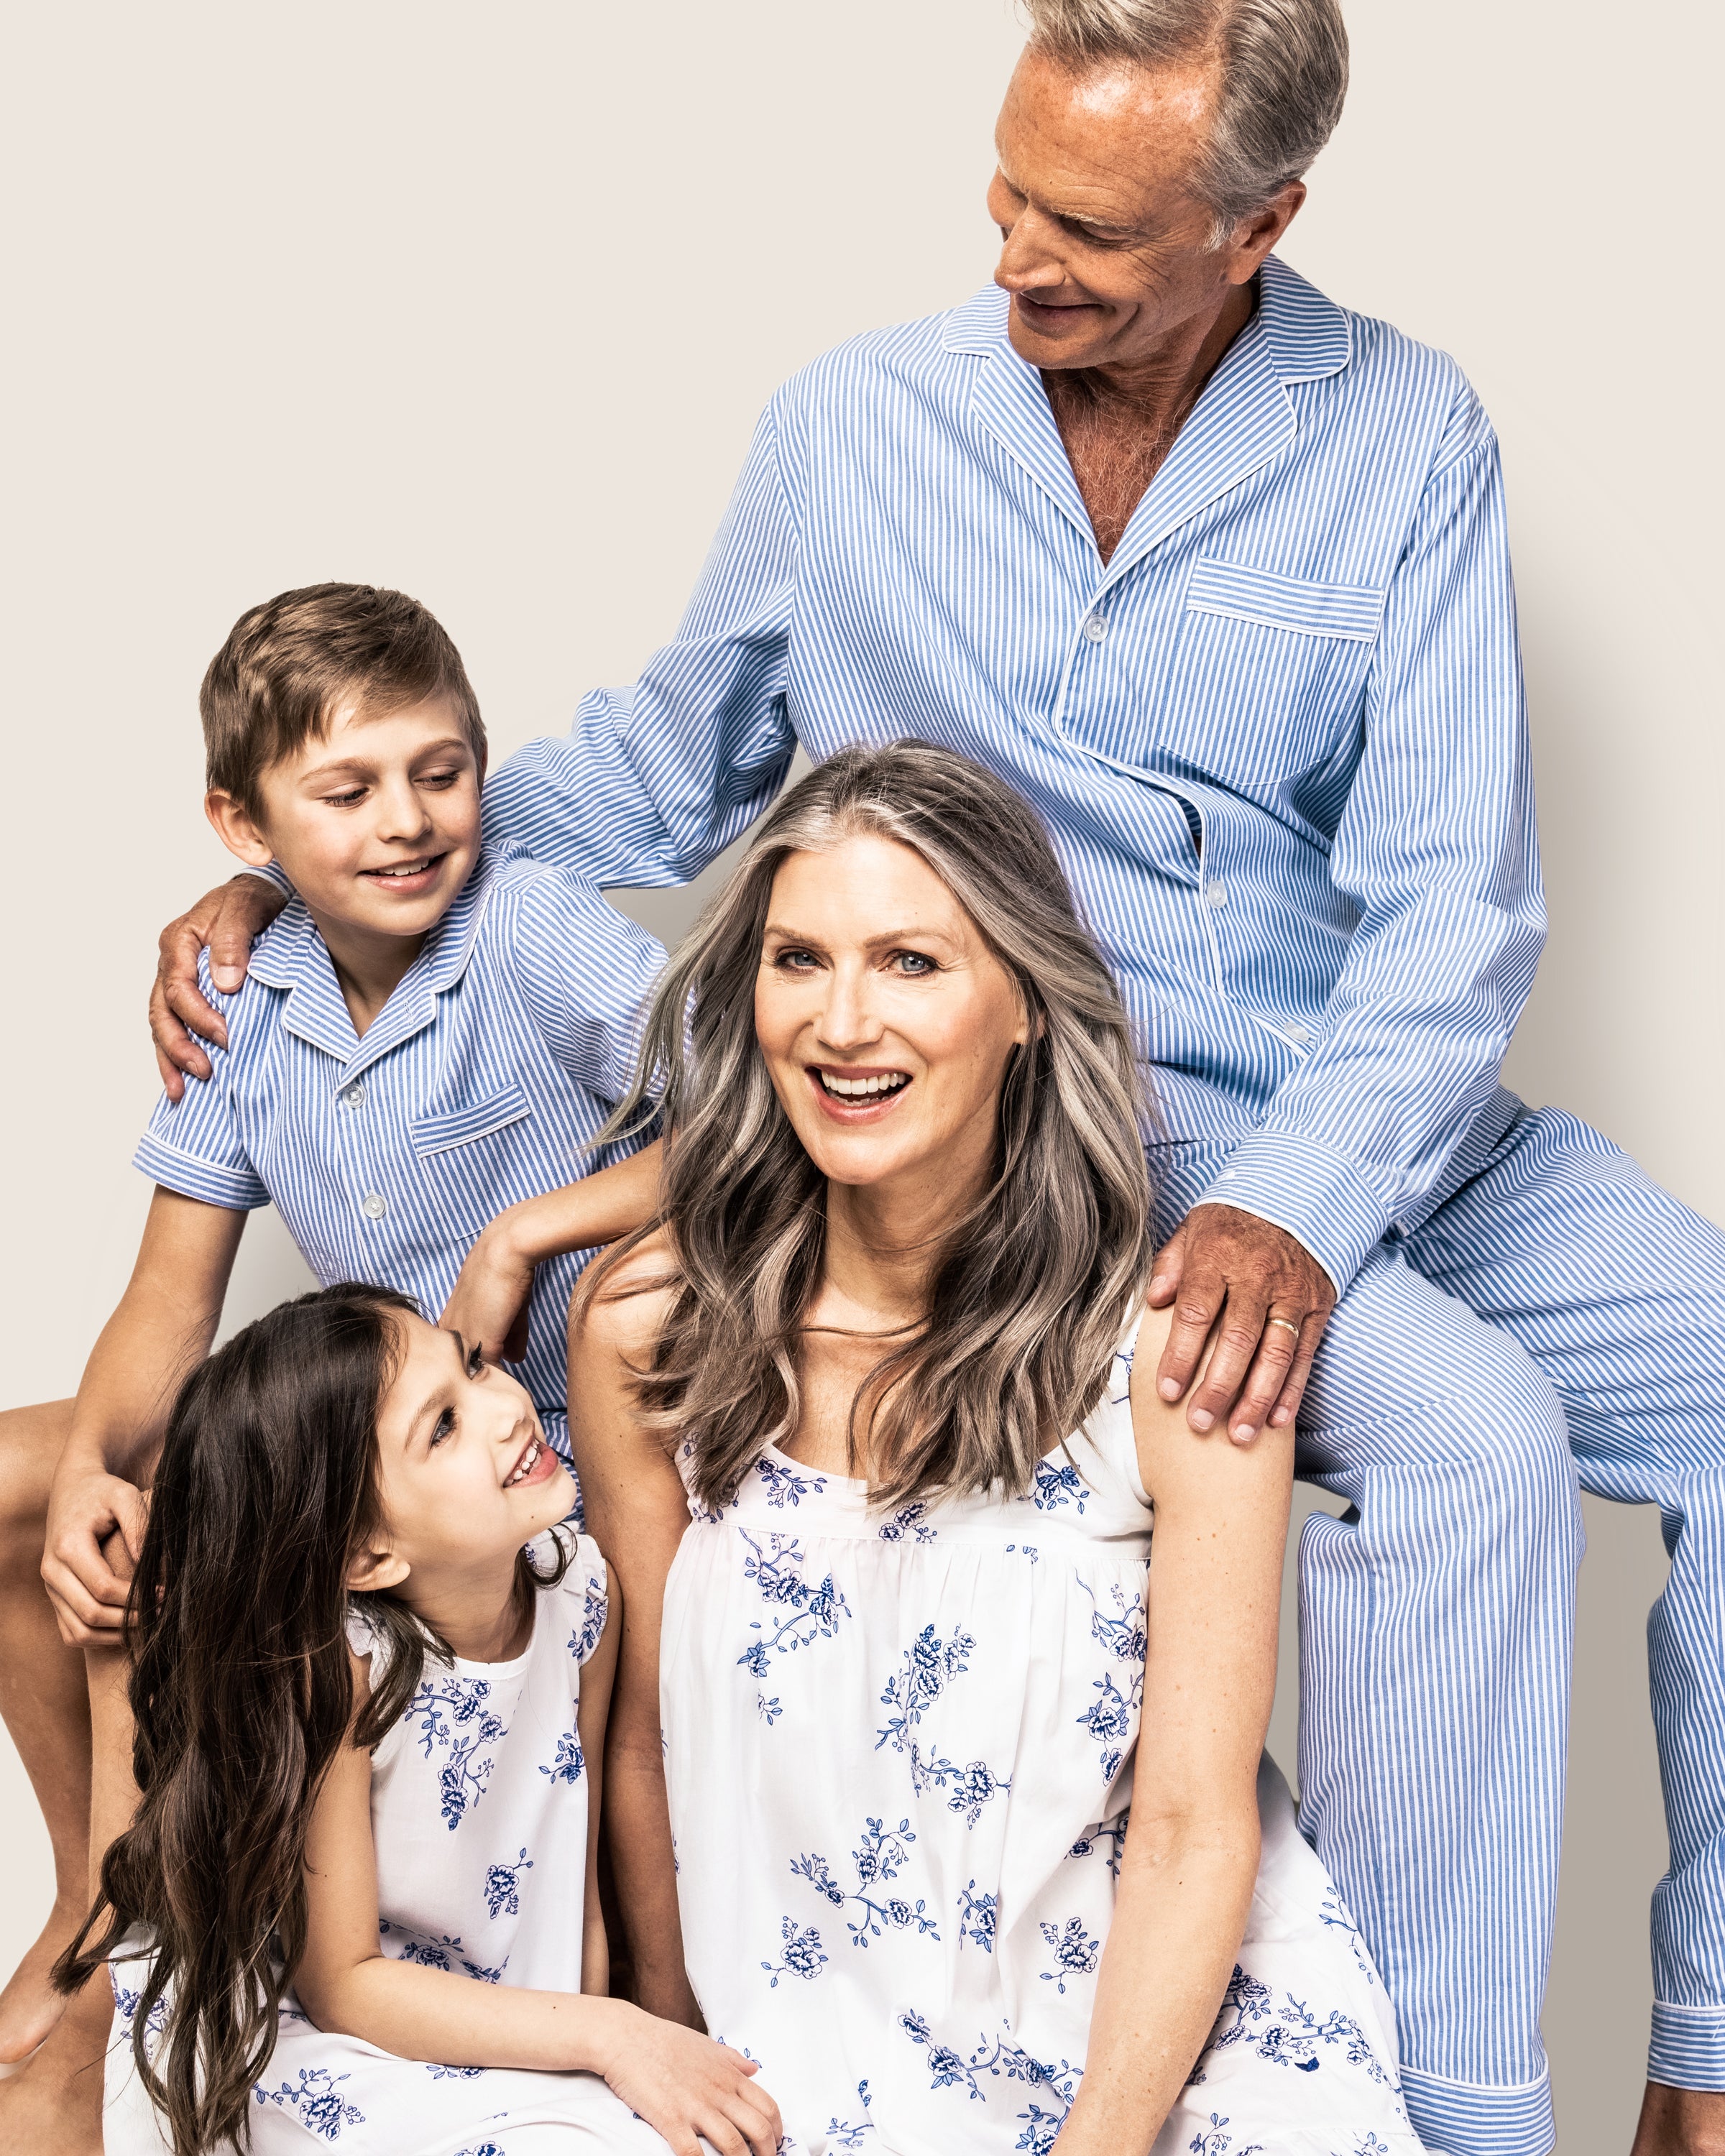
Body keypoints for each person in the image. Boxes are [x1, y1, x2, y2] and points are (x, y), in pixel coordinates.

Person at [147, 8, 1725, 2151]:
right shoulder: (852, 427)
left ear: (1259, 223)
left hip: (1372, 1104)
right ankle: (1458, 2121)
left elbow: (1453, 903)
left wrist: (1314, 1190)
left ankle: (1704, 2058)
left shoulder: (1405, 437)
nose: (1012, 257)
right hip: (1082, 1114)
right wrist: (315, 876)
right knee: (1464, 1438)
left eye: (1080, 226)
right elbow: (661, 756)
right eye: (1001, 189)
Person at [565, 739, 1422, 2155]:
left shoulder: (1169, 1362)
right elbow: (643, 1743)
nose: (843, 1023)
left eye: (910, 963)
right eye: (800, 961)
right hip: (799, 2057)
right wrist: (680, 2058)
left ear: (1023, 999)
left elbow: (1197, 1826)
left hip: (1142, 2066)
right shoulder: (656, 1333)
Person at [0, 581, 663, 2151]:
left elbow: (747, 1120)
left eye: (441, 773)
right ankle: (102, 1899)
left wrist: (524, 1238)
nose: (409, 822)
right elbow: (171, 1298)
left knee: (169, 1543)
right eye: (349, 791)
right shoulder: (249, 996)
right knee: (69, 1511)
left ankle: (95, 1978)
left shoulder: (535, 928)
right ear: (244, 826)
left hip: (534, 1427)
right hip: (350, 1428)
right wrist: (102, 1468)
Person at [60, 1278, 782, 2156]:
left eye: (472, 1367)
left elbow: (572, 1890)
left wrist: (610, 2054)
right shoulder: (347, 1667)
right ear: (368, 1553)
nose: (506, 1409)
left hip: (500, 2030)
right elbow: (346, 1984)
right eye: (442, 1426)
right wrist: (609, 2037)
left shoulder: (581, 1594)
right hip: (323, 2050)